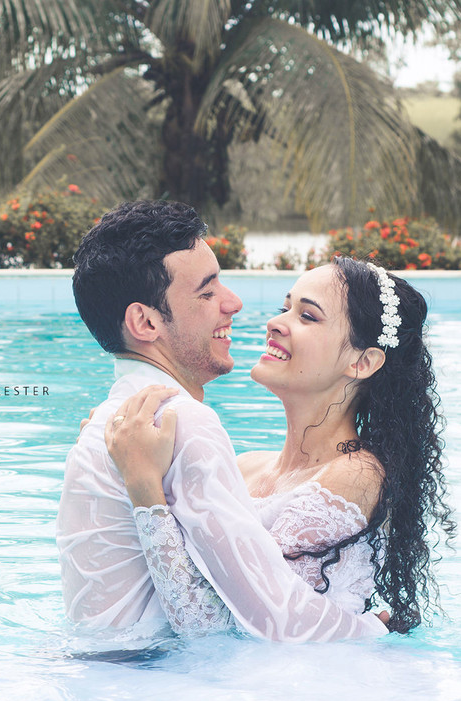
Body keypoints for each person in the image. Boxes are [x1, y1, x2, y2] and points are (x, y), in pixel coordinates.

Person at [56, 201, 388, 642]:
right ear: (145, 322)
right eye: (207, 292)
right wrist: (369, 632)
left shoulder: (110, 422)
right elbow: (228, 627)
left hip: (104, 668)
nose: (235, 303)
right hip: (154, 671)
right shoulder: (181, 424)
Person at [104, 256, 455, 636]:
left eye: (308, 316)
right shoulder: (245, 466)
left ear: (363, 362)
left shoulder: (354, 476)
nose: (275, 323)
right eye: (284, 308)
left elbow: (223, 629)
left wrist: (142, 485)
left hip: (298, 673)